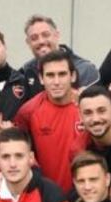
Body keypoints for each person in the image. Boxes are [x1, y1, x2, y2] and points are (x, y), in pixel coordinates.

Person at [13, 50, 87, 193]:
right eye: (50, 75)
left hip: (85, 193)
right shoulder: (28, 112)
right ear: (41, 78)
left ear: (72, 76)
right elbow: (19, 152)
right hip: (48, 196)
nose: (56, 82)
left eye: (62, 74)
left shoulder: (88, 106)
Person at [21, 14, 99, 94]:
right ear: (28, 42)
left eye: (46, 35)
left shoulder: (85, 70)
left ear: (57, 35)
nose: (41, 41)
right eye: (34, 38)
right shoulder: (26, 71)